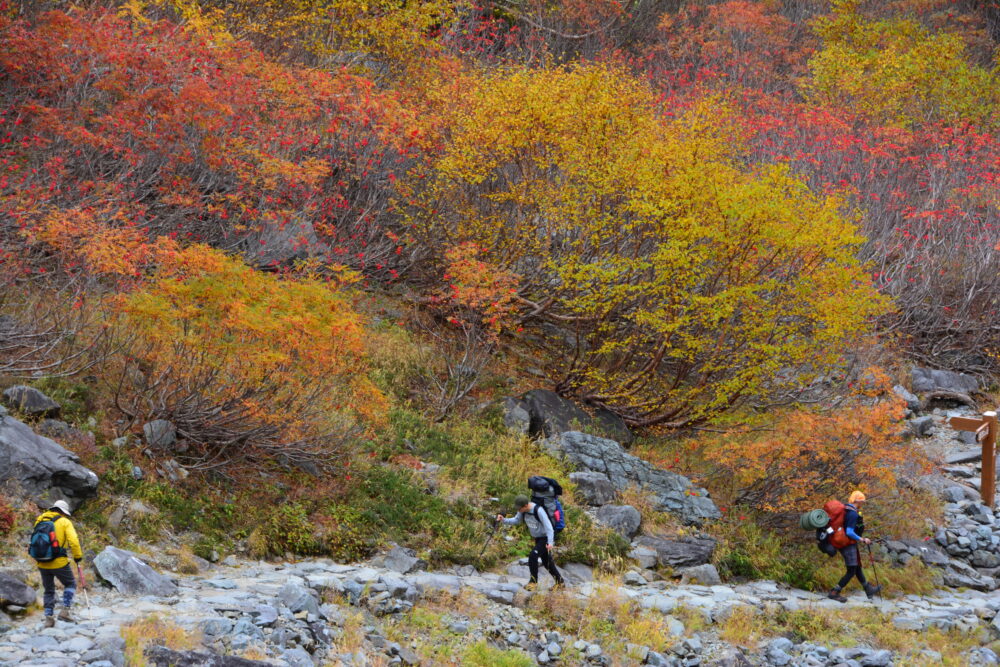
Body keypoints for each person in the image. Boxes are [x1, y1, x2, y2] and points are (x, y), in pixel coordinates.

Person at [32, 500, 83, 626]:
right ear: (62, 512)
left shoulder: (39, 520)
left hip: (42, 562)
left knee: (48, 590)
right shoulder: (65, 522)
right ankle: (65, 611)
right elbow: (74, 541)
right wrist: (77, 557)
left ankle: (49, 618)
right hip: (59, 562)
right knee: (70, 583)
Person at [496, 495, 564, 590]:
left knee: (533, 555)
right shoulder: (522, 510)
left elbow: (549, 528)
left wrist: (550, 542)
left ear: (526, 505)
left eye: (520, 508)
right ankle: (560, 583)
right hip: (538, 537)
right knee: (546, 562)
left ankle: (533, 583)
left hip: (545, 537)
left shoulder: (538, 510)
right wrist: (503, 520)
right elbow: (516, 520)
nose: (518, 510)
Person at [828, 490, 881, 602]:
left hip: (845, 543)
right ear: (857, 501)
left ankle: (868, 589)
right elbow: (849, 532)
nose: (863, 503)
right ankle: (834, 592)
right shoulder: (852, 513)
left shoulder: (847, 509)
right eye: (862, 501)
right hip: (847, 544)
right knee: (852, 570)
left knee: (856, 567)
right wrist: (862, 539)